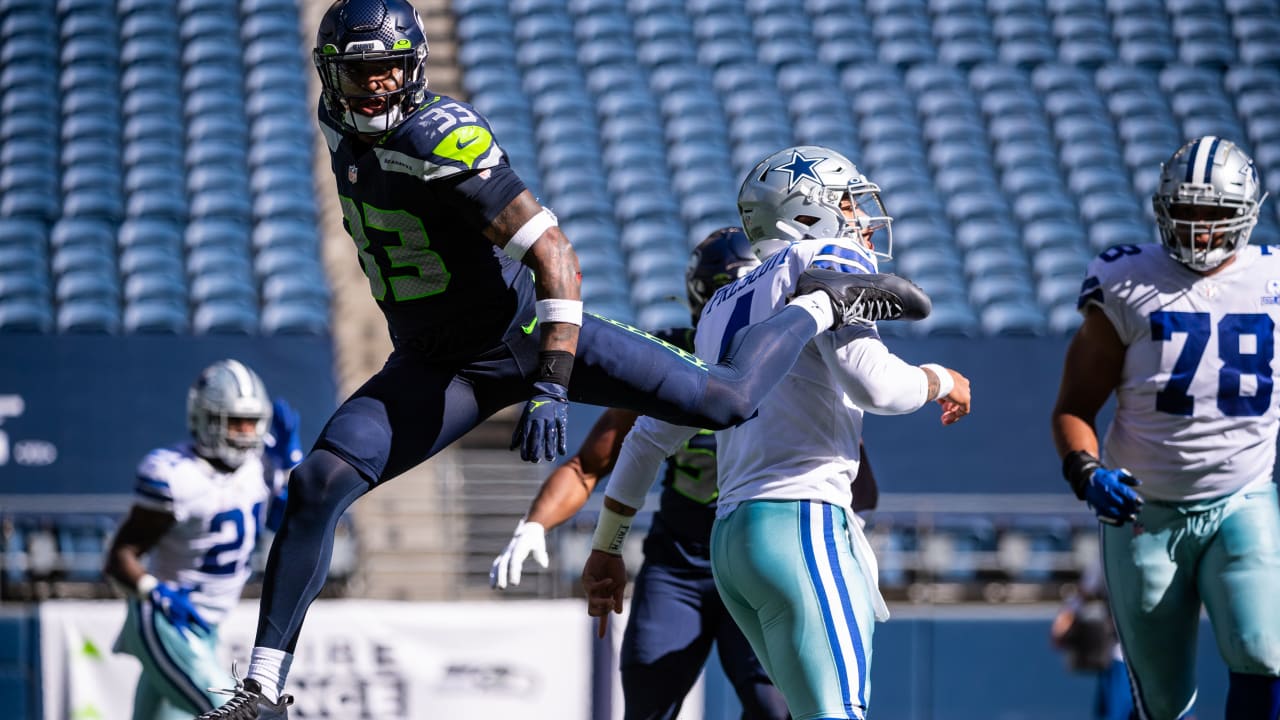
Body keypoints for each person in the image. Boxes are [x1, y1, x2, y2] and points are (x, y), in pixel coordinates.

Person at [196, 2, 932, 716]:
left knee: (729, 401)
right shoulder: (337, 121)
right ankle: (262, 690)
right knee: (317, 482)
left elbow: (554, 254)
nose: (376, 87)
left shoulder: (441, 135)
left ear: (416, 67)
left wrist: (551, 380)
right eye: (361, 75)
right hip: (434, 364)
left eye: (390, 70)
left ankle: (824, 299)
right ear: (330, 76)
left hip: (525, 335)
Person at [582, 145, 972, 720]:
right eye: (846, 202)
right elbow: (878, 388)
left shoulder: (719, 304)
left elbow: (648, 435)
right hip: (802, 520)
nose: (861, 217)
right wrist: (941, 379)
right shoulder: (824, 255)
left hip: (733, 540)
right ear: (806, 214)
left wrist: (606, 545)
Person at [491, 227, 791, 719]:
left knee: (774, 706)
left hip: (759, 556)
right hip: (681, 566)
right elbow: (590, 465)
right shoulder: (674, 360)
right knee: (649, 703)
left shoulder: (795, 363)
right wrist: (535, 524)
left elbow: (850, 473)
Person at [1051, 135, 1280, 720]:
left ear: (1247, 216)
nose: (1200, 229)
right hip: (1143, 514)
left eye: (1215, 214)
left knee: (1264, 653)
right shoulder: (1127, 280)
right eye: (1188, 212)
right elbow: (1074, 406)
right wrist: (1087, 472)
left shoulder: (1272, 281)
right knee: (1164, 701)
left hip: (1243, 499)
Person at [103, 360, 299, 719]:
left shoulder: (262, 467)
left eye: (252, 422)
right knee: (233, 714)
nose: (245, 433)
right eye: (235, 422)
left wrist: (289, 466)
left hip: (206, 627)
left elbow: (283, 524)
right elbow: (120, 556)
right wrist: (153, 590)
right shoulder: (176, 475)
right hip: (165, 618)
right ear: (206, 419)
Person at [1050, 559, 1133, 720]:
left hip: (1156, 656)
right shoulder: (1110, 551)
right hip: (1123, 655)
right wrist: (1065, 619)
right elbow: (1084, 592)